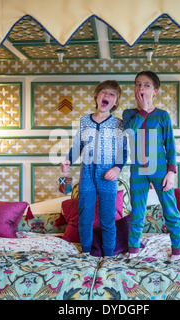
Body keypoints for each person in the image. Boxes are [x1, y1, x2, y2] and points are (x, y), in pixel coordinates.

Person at [61, 80, 127, 257]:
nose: (107, 96)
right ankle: (86, 252)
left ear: (116, 102)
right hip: (87, 172)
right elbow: (77, 145)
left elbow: (124, 150)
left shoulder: (118, 124)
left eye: (112, 94)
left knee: (107, 218)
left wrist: (117, 168)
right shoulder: (84, 121)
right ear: (97, 97)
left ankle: (108, 255)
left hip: (108, 174)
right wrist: (68, 160)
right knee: (86, 215)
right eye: (103, 93)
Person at [122, 71, 180, 261]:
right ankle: (133, 250)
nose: (141, 88)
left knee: (169, 209)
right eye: (138, 84)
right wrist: (143, 109)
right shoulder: (129, 114)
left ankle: (178, 250)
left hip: (160, 168)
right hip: (138, 170)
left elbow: (170, 145)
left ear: (155, 91)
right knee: (138, 212)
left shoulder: (163, 116)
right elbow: (130, 132)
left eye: (146, 85)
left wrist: (171, 172)